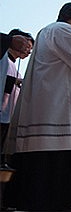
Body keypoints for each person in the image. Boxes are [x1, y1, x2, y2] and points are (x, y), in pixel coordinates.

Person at [3, 2, 71, 211]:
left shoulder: (48, 31)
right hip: (63, 114)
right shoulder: (64, 30)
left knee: (44, 173)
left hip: (52, 108)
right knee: (60, 175)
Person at [0, 29, 34, 163]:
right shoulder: (3, 59)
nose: (28, 51)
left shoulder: (16, 69)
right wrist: (14, 81)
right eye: (27, 46)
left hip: (8, 117)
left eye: (30, 49)